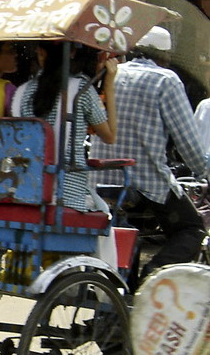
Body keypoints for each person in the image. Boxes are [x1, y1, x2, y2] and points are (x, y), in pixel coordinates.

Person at [90, 26, 210, 280]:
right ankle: (153, 277)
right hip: (144, 183)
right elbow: (188, 145)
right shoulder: (166, 80)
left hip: (100, 182)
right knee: (191, 229)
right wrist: (204, 170)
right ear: (165, 57)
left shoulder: (111, 74)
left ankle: (119, 304)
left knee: (126, 232)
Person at [12, 42, 117, 213]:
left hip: (25, 191)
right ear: (72, 53)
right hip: (67, 196)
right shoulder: (81, 91)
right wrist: (109, 86)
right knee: (104, 210)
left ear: (40, 53)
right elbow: (110, 136)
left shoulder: (21, 93)